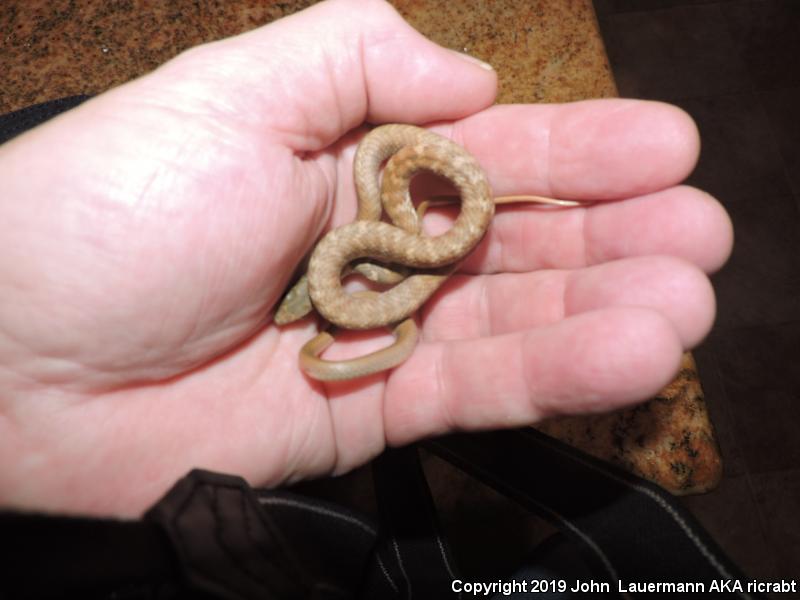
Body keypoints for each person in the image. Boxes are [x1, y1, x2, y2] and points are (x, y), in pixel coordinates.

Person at [0, 0, 731, 519]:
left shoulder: (380, 229)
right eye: (310, 305)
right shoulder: (360, 254)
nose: (302, 310)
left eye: (306, 305)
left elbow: (383, 244)